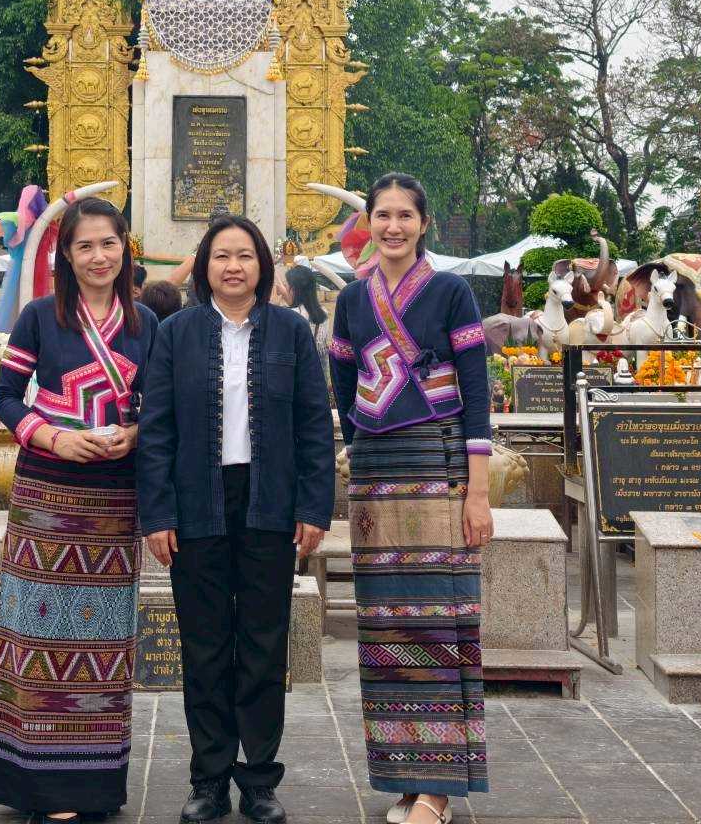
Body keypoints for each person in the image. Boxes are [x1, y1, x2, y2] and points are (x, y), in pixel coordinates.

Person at [137, 215, 334, 824]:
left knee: (262, 642)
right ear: (204, 266)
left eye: (244, 256)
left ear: (262, 265)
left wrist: (313, 507)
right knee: (203, 645)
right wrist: (158, 512)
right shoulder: (176, 334)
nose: (232, 267)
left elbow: (313, 426)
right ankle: (209, 779)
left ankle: (259, 780)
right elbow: (158, 431)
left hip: (268, 498)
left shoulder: (291, 334)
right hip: (197, 499)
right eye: (221, 256)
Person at [0, 197, 158, 824]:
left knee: (103, 637)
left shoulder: (146, 326)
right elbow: (4, 396)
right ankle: (38, 781)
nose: (98, 256)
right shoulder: (38, 319)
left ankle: (90, 784)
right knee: (40, 632)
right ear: (66, 255)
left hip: (112, 501)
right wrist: (53, 436)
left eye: (108, 244)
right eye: (85, 246)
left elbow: (153, 408)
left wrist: (132, 435)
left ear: (124, 249)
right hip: (47, 498)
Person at [328, 174, 492, 824]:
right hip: (376, 470)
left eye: (404, 216)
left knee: (438, 620)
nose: (392, 226)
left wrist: (477, 493)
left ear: (424, 224)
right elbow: (344, 381)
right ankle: (403, 774)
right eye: (382, 215)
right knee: (387, 625)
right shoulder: (352, 300)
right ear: (369, 222)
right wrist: (360, 437)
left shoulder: (450, 292)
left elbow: (476, 393)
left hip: (439, 461)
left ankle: (438, 787)